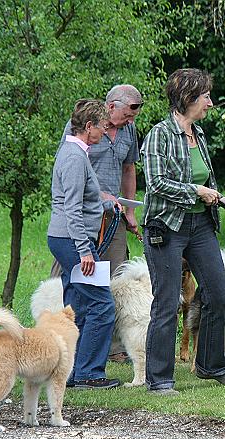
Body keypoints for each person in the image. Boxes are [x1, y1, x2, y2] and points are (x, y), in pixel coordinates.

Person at [141, 68, 225, 396]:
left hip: (201, 225)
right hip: (167, 227)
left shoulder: (198, 134)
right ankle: (159, 379)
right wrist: (195, 193)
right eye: (205, 98)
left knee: (219, 292)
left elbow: (205, 182)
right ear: (187, 98)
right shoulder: (160, 134)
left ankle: (211, 365)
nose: (210, 103)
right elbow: (156, 183)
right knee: (168, 300)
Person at [54, 84, 143, 363]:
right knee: (85, 292)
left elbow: (128, 170)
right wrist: (83, 250)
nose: (131, 121)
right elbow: (71, 192)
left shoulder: (124, 132)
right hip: (78, 223)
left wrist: (125, 209)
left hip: (107, 217)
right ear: (111, 107)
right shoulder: (77, 141)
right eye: (128, 113)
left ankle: (100, 353)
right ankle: (78, 359)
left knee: (107, 284)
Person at [47, 99, 120, 389]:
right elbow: (73, 208)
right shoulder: (75, 157)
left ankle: (68, 372)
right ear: (88, 127)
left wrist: (104, 204)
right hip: (72, 240)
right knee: (103, 306)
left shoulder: (73, 152)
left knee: (75, 305)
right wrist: (85, 250)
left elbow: (78, 201)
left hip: (64, 237)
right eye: (103, 126)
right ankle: (89, 372)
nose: (105, 132)